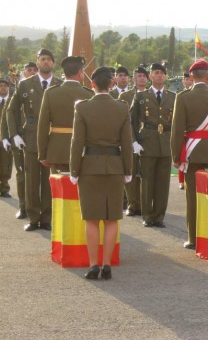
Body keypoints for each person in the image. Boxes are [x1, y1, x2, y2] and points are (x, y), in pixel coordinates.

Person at [69, 66, 133, 280]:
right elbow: (127, 143)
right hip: (115, 166)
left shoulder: (83, 108)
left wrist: (74, 169)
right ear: (112, 84)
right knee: (112, 219)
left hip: (90, 167)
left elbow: (77, 142)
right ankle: (107, 265)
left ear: (92, 84)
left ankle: (93, 264)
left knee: (92, 219)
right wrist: (128, 169)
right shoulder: (122, 107)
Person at [171, 60, 208, 250]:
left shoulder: (182, 97)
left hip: (192, 153)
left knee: (193, 196)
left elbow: (177, 130)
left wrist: (175, 156)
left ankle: (194, 238)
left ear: (191, 77)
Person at [7, 49, 62, 231]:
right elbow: (11, 110)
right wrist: (14, 134)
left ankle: (46, 218)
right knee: (31, 181)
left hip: (52, 140)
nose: (45, 62)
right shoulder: (24, 85)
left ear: (53, 63)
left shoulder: (59, 84)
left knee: (48, 180)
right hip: (30, 139)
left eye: (48, 59)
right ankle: (33, 217)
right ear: (37, 63)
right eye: (42, 59)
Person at [131, 63, 175, 228]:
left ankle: (159, 216)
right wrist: (134, 142)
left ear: (165, 76)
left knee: (163, 183)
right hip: (147, 142)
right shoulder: (141, 96)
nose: (159, 75)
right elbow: (132, 122)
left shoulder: (173, 97)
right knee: (147, 181)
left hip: (166, 143)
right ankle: (147, 216)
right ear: (150, 76)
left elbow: (177, 124)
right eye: (156, 73)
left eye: (162, 73)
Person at [37, 56, 94, 173]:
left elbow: (43, 126)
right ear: (80, 72)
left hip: (57, 151)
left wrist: (42, 154)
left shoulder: (51, 93)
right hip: (83, 151)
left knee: (59, 190)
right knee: (79, 190)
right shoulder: (89, 94)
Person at [120, 65, 149, 217]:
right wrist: (131, 141)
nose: (142, 78)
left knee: (146, 174)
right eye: (138, 76)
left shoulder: (151, 95)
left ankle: (144, 205)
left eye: (144, 76)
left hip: (148, 140)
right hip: (129, 140)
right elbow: (125, 122)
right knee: (130, 174)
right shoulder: (125, 97)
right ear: (134, 79)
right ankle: (132, 204)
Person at [0, 79, 13, 198]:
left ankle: (4, 188)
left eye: (5, 86)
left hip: (7, 137)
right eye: (1, 86)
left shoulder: (11, 101)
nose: (3, 88)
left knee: (6, 164)